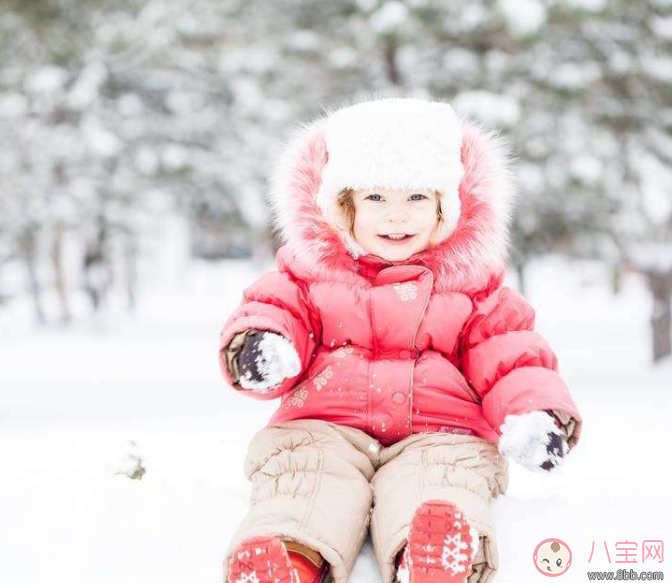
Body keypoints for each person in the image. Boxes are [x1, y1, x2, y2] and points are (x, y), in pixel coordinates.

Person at [218, 97, 582, 583]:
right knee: (305, 477)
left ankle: (432, 556)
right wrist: (260, 348)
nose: (396, 217)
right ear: (343, 206)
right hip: (325, 425)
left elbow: (510, 356)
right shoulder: (308, 275)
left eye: (416, 199)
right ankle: (288, 560)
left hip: (439, 431)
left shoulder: (472, 287)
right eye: (376, 199)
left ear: (445, 208)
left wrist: (534, 416)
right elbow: (274, 310)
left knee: (442, 480)